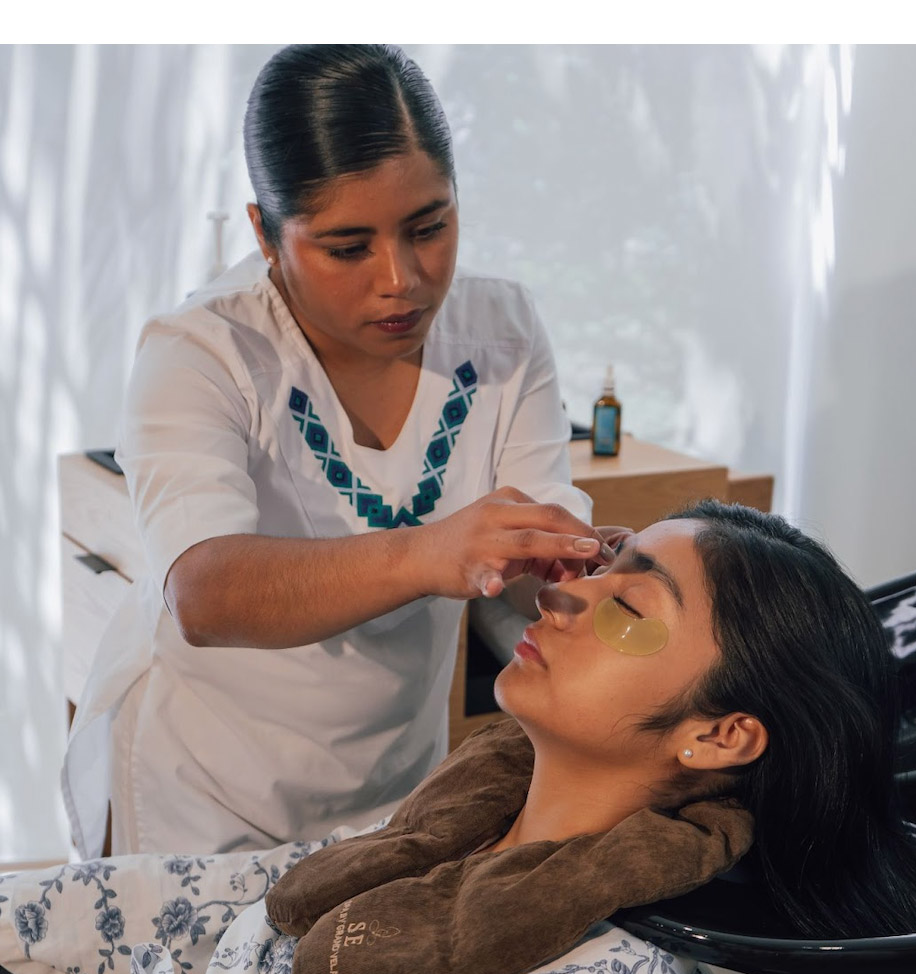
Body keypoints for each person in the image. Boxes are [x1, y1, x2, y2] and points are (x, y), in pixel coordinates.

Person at [61, 43, 619, 862]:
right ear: (264, 232)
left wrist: (584, 578)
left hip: (400, 782)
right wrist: (432, 553)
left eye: (430, 226)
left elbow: (523, 556)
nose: (402, 279)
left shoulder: (502, 333)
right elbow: (206, 593)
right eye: (348, 247)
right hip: (205, 789)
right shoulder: (203, 350)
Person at [12, 501, 913, 974]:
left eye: (630, 609)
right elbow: (229, 893)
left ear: (720, 736)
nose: (563, 597)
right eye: (600, 568)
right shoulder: (463, 819)